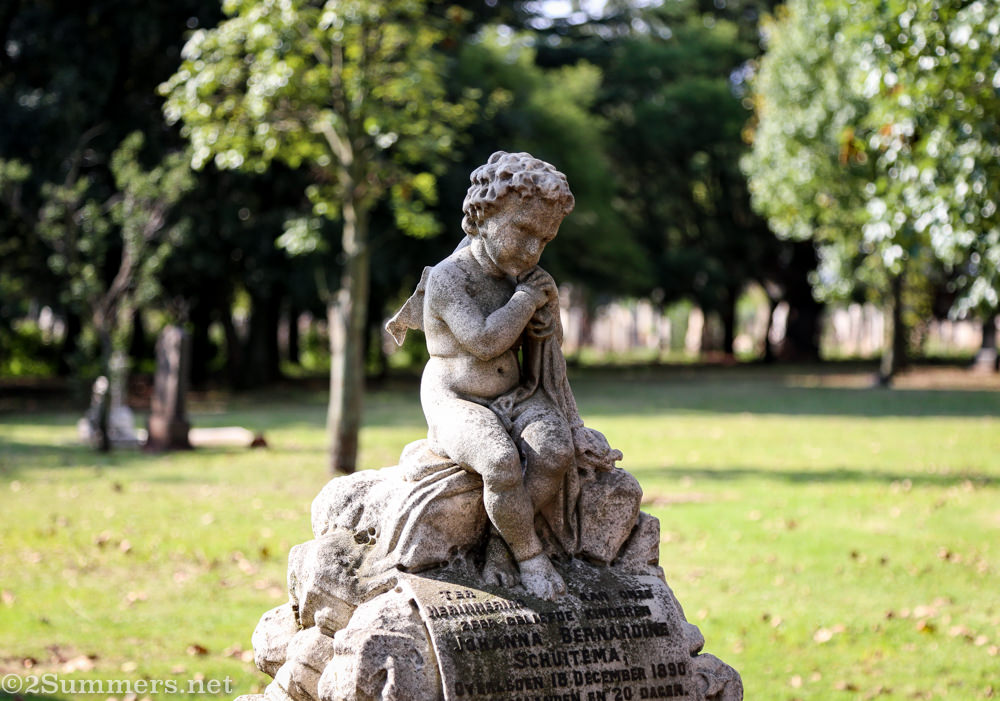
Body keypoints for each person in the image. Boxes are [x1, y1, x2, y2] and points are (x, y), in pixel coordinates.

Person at [387, 151, 619, 600]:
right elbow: (485, 342)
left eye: (545, 239)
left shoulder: (524, 276)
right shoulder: (449, 279)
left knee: (554, 450)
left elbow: (541, 349)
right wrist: (526, 302)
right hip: (455, 397)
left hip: (515, 394)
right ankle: (530, 556)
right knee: (498, 461)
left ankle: (504, 539)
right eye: (524, 232)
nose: (534, 251)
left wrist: (545, 322)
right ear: (484, 215)